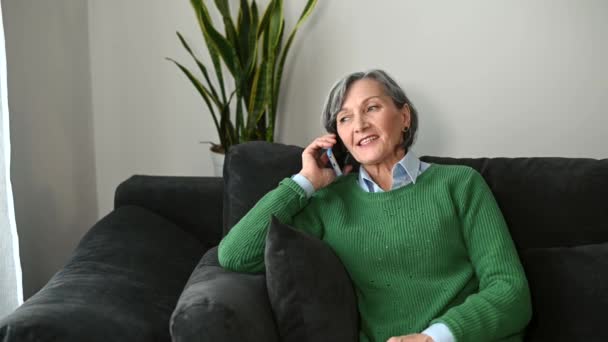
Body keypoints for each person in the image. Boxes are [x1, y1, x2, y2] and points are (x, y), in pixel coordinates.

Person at [218, 69, 532, 342]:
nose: (359, 125)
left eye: (372, 108)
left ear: (404, 117)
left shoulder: (460, 184)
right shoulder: (330, 202)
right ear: (338, 136)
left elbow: (510, 290)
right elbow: (236, 255)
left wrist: (435, 337)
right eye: (345, 118)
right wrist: (304, 182)